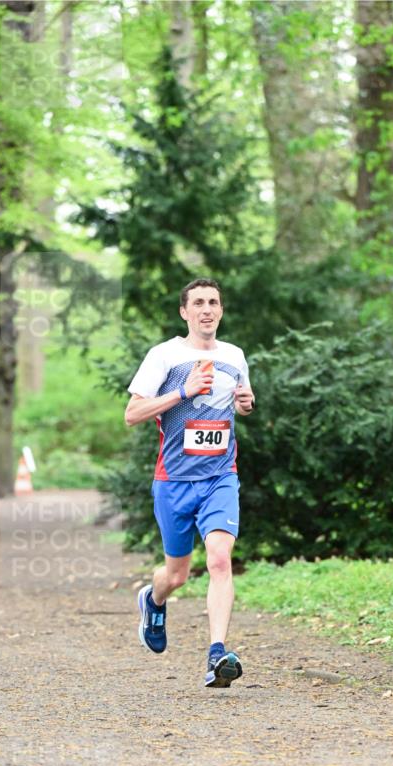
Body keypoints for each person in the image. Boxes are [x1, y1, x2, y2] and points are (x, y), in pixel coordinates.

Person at [125, 278, 255, 688]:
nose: (207, 309)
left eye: (213, 302)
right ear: (184, 312)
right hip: (174, 481)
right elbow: (133, 413)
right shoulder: (164, 356)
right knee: (176, 575)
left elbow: (240, 401)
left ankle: (217, 655)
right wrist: (182, 391)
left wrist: (244, 404)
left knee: (219, 559)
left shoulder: (234, 356)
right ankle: (154, 598)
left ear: (221, 310)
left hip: (220, 477)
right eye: (198, 302)